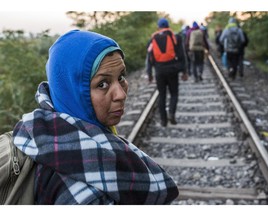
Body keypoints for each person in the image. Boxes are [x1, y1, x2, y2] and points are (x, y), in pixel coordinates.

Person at [12, 30, 179, 204]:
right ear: (72, 91)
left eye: (121, 77)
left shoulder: (46, 132)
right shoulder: (85, 195)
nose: (121, 94)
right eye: (102, 84)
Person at [146, 18, 188, 127]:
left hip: (159, 71)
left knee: (162, 95)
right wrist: (184, 71)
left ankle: (163, 121)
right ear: (168, 26)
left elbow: (149, 58)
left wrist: (149, 73)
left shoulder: (153, 39)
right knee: (174, 93)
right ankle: (172, 113)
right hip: (173, 70)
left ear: (158, 27)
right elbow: (182, 55)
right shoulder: (175, 37)